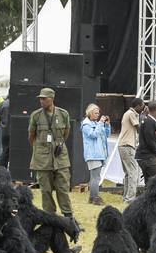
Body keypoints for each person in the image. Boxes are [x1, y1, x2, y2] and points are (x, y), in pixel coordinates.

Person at [28, 88, 75, 222]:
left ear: (52, 99)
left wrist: (58, 144)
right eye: (40, 98)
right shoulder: (36, 115)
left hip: (60, 157)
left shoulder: (63, 114)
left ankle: (69, 218)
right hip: (42, 159)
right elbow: (31, 136)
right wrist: (40, 149)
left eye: (44, 98)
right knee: (46, 190)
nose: (41, 101)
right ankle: (50, 217)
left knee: (63, 188)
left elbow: (66, 132)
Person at [81, 104, 111, 206]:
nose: (97, 115)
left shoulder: (97, 123)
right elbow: (93, 135)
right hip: (93, 154)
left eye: (98, 113)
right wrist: (100, 123)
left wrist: (107, 125)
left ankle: (92, 197)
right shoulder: (86, 124)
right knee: (95, 177)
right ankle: (95, 198)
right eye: (95, 113)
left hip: (100, 154)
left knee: (95, 177)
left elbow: (106, 135)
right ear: (90, 113)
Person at [119, 97, 145, 202]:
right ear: (138, 106)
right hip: (127, 146)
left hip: (123, 145)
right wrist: (144, 116)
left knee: (128, 173)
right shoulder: (130, 114)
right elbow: (140, 128)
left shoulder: (129, 113)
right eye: (142, 106)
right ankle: (130, 199)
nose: (143, 108)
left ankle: (126, 197)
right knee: (133, 173)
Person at [135, 101, 156, 182]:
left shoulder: (148, 120)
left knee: (150, 183)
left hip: (145, 156)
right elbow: (150, 141)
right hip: (148, 157)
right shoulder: (150, 122)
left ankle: (149, 194)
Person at [0, 93, 11, 168]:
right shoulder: (15, 103)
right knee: (8, 151)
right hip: (13, 130)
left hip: (4, 130)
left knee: (5, 150)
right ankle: (2, 167)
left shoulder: (2, 103)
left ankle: (2, 167)